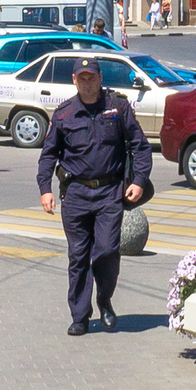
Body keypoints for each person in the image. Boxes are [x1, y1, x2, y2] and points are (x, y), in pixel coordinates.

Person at [38, 58, 153, 335]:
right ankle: (80, 316)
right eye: (82, 78)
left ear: (100, 78)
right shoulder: (64, 114)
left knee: (107, 251)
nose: (88, 83)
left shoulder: (118, 106)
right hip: (76, 194)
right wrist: (45, 189)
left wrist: (139, 181)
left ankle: (104, 299)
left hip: (109, 193)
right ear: (74, 81)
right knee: (78, 257)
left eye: (92, 77)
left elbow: (141, 147)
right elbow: (48, 155)